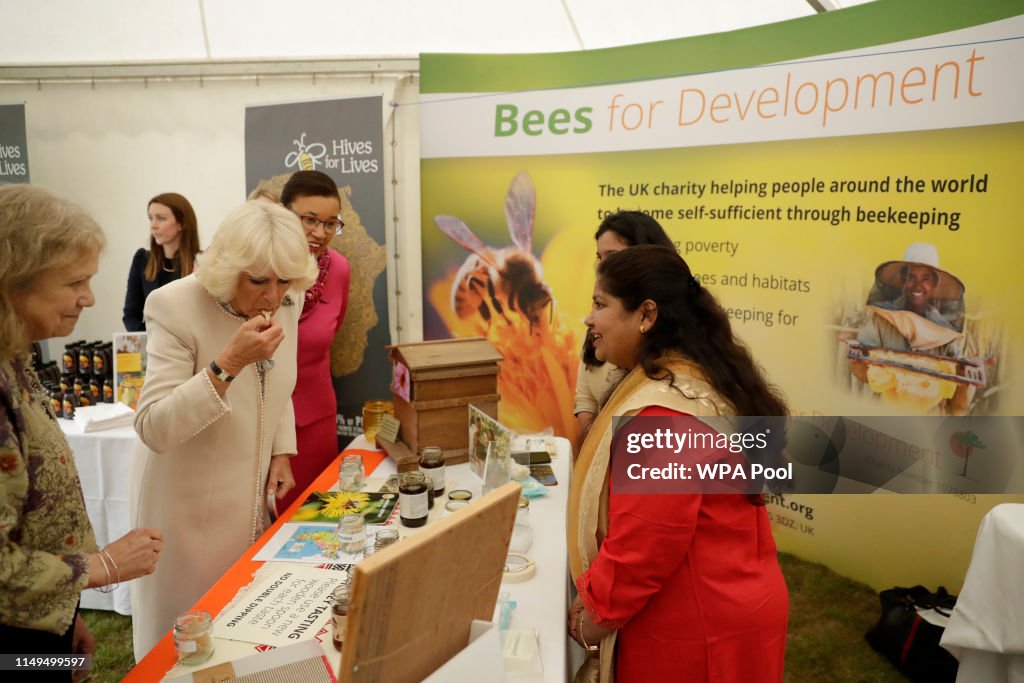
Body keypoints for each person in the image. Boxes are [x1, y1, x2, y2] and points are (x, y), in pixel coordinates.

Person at [568, 245, 789, 682]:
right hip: (730, 601)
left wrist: (590, 619)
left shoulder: (662, 417)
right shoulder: (690, 377)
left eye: (600, 304)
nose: (588, 319)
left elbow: (643, 549)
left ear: (646, 315)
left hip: (697, 630)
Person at [129, 201, 317, 659]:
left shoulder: (286, 297)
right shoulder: (173, 304)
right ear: (229, 268)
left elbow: (278, 380)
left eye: (284, 282)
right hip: (186, 500)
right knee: (187, 639)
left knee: (246, 629)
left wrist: (281, 449)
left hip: (251, 493)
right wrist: (228, 362)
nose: (274, 297)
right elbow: (154, 426)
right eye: (259, 282)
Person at [0, 185, 163, 676]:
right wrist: (100, 568)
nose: (89, 298)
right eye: (75, 282)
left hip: (36, 631)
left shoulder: (15, 356)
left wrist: (63, 620)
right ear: (13, 282)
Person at [276, 171, 351, 511]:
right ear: (283, 213)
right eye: (309, 220)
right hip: (264, 422)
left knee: (315, 521)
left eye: (331, 223)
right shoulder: (259, 267)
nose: (320, 233)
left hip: (316, 420)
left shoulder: (339, 270)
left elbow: (330, 334)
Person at [574, 211, 676, 451]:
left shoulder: (675, 383)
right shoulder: (599, 324)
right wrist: (598, 449)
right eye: (600, 257)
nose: (603, 267)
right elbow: (584, 398)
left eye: (613, 256)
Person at [856, 242, 965, 357]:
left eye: (925, 279)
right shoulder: (881, 318)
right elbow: (864, 358)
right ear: (903, 281)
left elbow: (956, 365)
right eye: (911, 277)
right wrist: (859, 351)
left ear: (934, 284)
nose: (918, 285)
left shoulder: (944, 332)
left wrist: (971, 366)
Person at [122, 192, 200, 331]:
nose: (153, 225)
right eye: (150, 218)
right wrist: (150, 342)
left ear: (181, 223)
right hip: (151, 345)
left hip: (189, 345)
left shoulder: (201, 262)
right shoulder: (141, 259)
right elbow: (131, 315)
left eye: (161, 218)